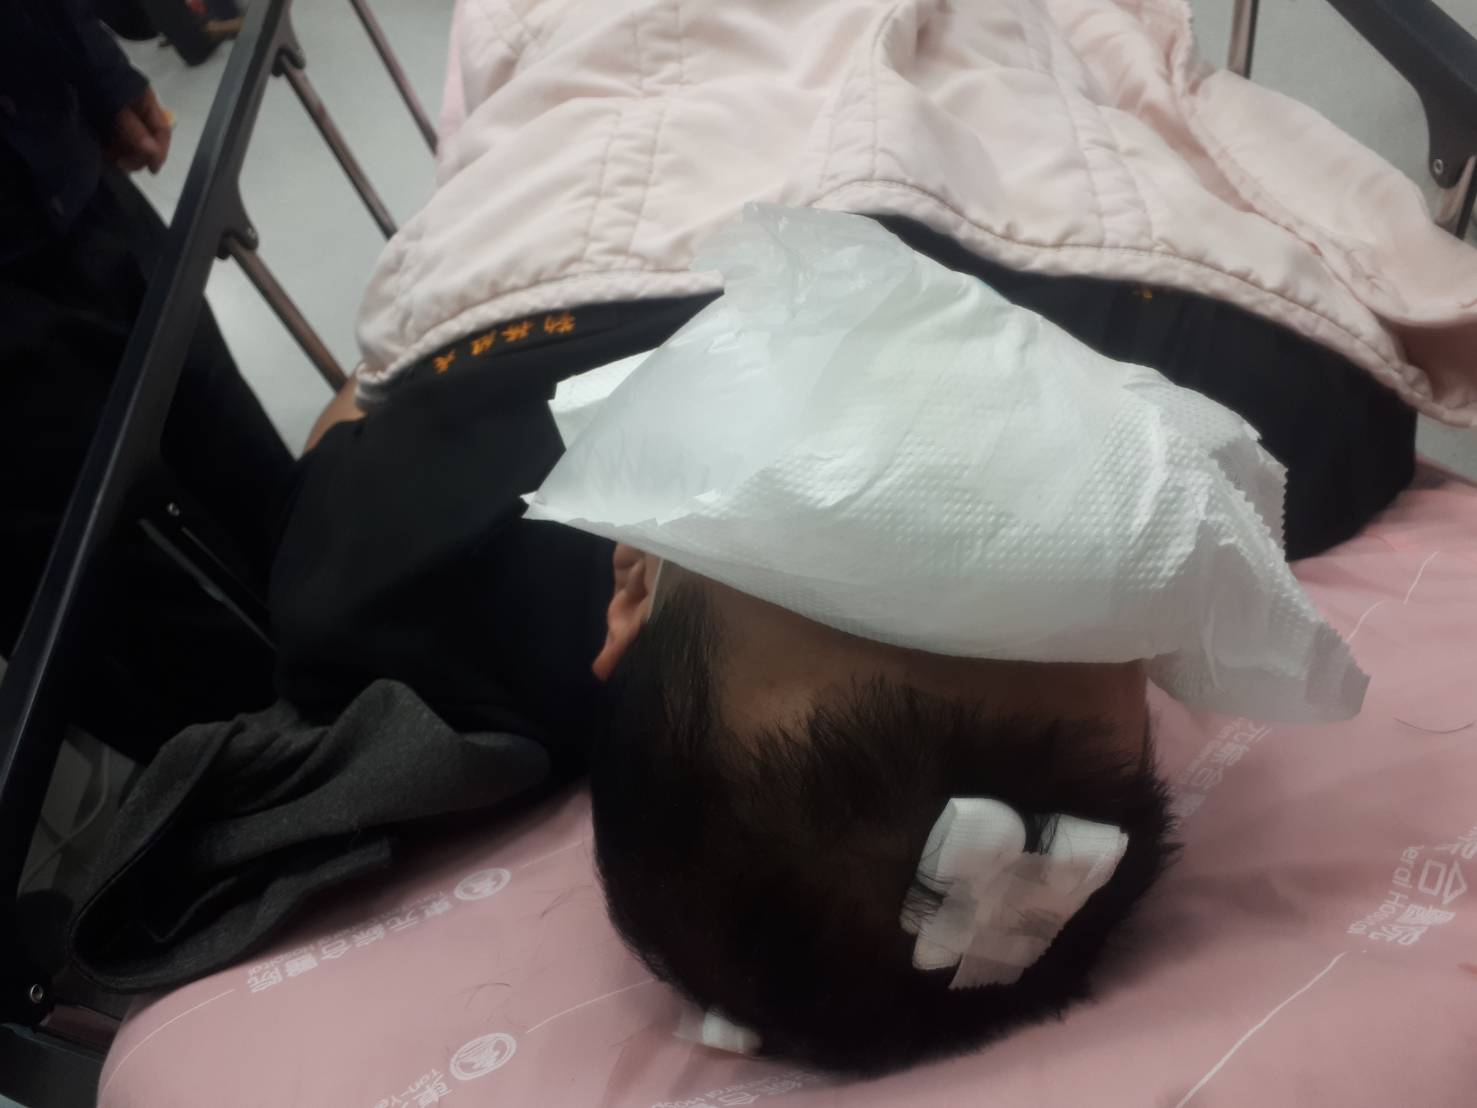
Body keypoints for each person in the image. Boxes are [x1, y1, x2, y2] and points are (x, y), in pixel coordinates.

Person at [76, 0, 1477, 1074]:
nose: (932, 434)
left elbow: (368, 394)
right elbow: (1313, 293)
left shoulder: (412, 580)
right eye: (1067, 559)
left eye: (830, 510)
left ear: (630, 583)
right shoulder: (1243, 447)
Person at [0, 0, 293, 761]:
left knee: (237, 445)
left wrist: (102, 73)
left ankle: (379, 676)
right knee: (123, 586)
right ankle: (284, 773)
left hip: (70, 174)